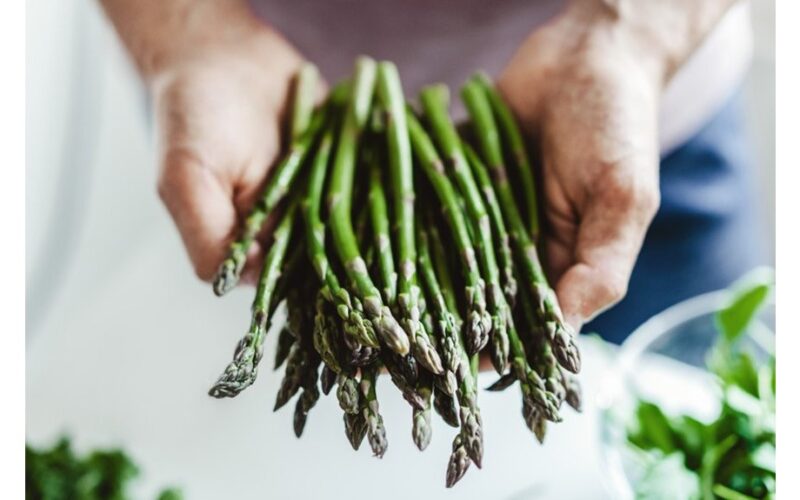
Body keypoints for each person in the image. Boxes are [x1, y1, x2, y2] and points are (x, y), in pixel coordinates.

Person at [99, 0, 765, 343]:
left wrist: (627, 39)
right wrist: (190, 36)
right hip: (261, 133)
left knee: (707, 400)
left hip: (630, 116)